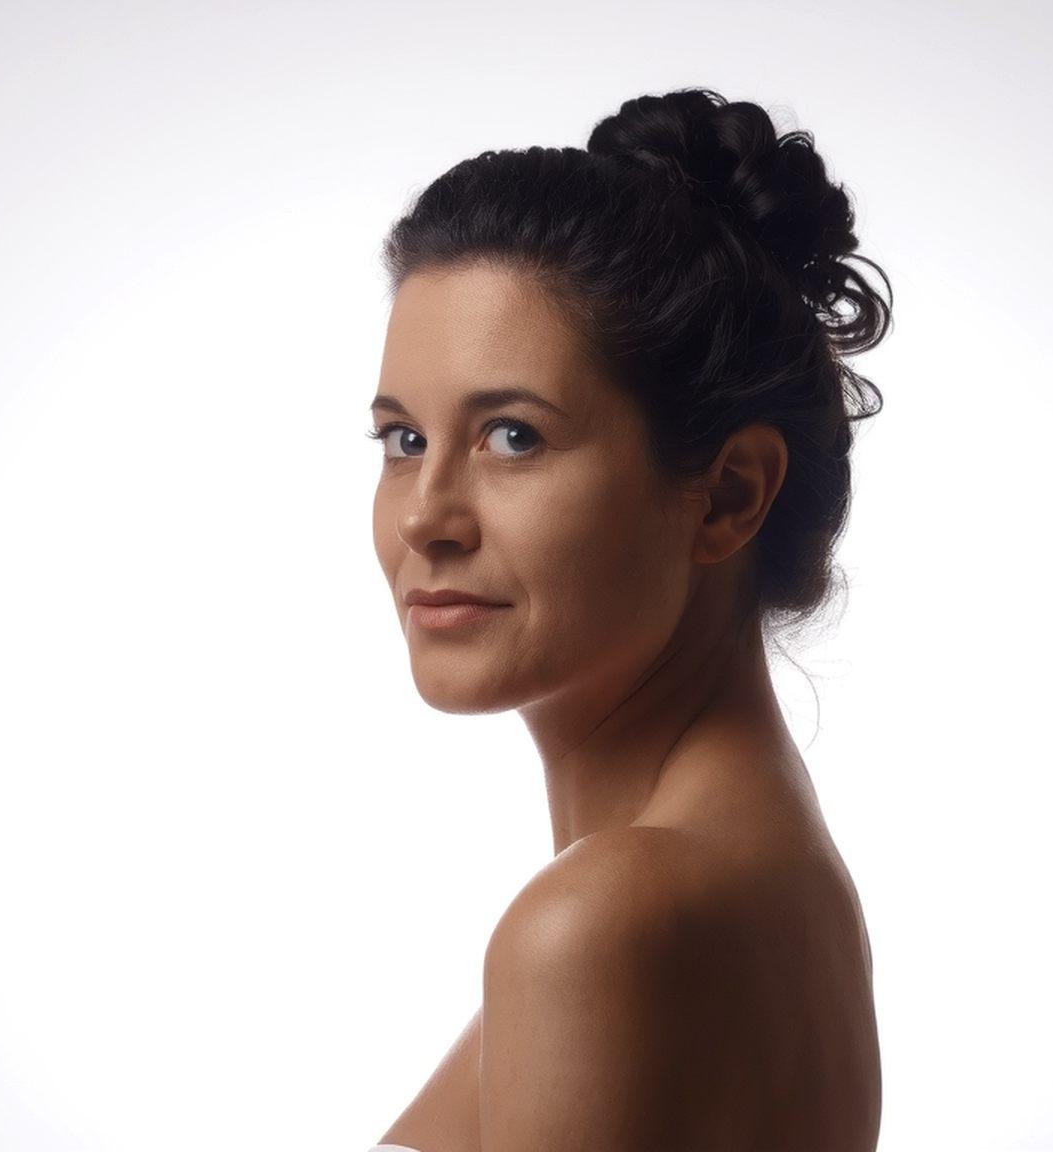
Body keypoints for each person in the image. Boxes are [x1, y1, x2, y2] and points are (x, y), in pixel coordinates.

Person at [366, 86, 891, 1152]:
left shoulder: (603, 926)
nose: (425, 517)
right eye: (404, 441)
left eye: (512, 437)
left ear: (729, 494)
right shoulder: (756, 876)